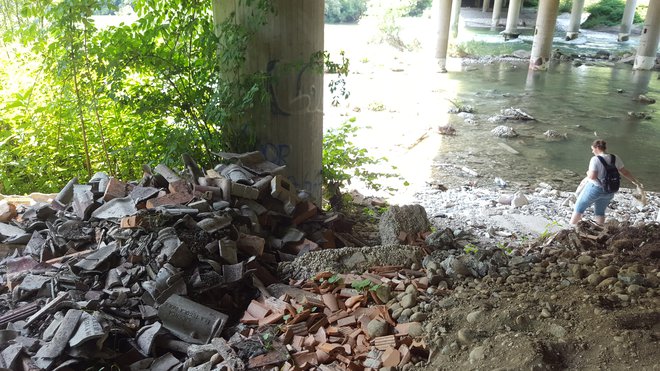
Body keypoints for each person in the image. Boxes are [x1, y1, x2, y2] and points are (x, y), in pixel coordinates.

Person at [570, 139, 641, 226]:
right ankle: (599, 230)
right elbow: (624, 172)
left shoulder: (595, 159)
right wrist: (635, 182)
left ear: (597, 148)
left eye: (592, 149)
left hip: (595, 189)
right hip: (610, 190)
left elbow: (592, 176)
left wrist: (588, 173)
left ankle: (570, 228)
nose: (592, 151)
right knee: (600, 212)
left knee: (578, 208)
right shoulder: (615, 157)